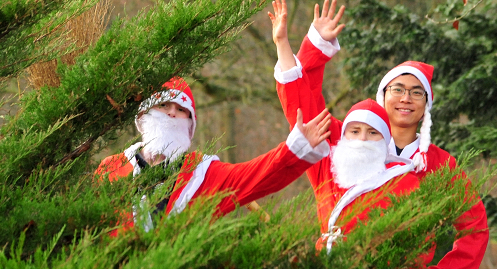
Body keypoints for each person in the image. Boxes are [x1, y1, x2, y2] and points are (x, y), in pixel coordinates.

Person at [269, 0, 489, 269]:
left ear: (426, 107)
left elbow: (474, 228)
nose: (405, 98)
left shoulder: (437, 166)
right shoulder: (342, 147)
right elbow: (303, 108)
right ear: (382, 96)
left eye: (416, 93)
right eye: (397, 89)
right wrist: (309, 45)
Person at [96, 77, 332, 232]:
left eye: (181, 110)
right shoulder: (111, 168)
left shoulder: (204, 174)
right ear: (144, 114)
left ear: (189, 126)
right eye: (164, 106)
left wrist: (296, 148)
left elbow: (257, 175)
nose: (171, 114)